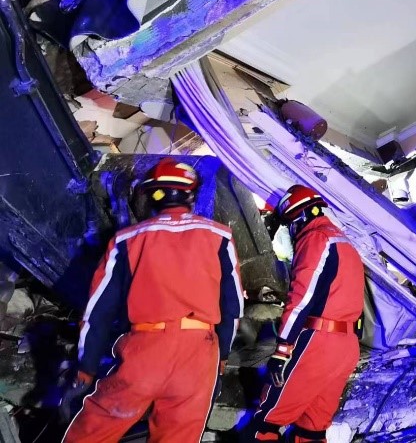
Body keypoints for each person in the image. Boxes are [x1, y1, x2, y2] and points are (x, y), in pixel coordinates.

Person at [63, 158, 244, 443]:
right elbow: (232, 307)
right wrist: (220, 358)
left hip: (146, 351)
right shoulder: (219, 236)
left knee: (91, 433)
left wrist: (86, 366)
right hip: (199, 356)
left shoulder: (127, 239)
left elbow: (98, 310)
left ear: (153, 195)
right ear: (191, 195)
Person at [251, 185, 364, 443]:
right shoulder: (344, 241)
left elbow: (301, 299)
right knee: (312, 428)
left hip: (319, 343)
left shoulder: (316, 239)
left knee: (266, 421)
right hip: (346, 345)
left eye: (289, 225)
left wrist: (282, 349)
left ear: (298, 219)